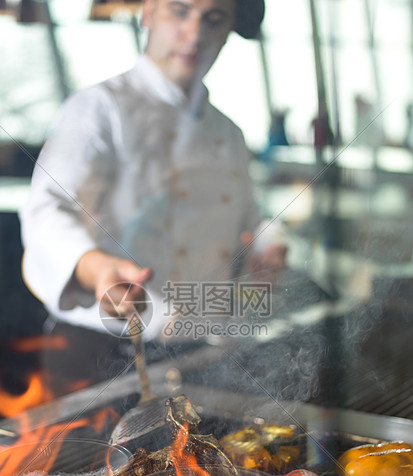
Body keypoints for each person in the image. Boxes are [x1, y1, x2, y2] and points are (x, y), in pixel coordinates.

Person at [19, 0, 286, 385]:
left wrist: (268, 247)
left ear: (229, 30)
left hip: (199, 349)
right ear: (147, 13)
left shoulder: (229, 132)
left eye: (213, 19)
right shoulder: (98, 107)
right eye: (180, 11)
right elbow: (48, 211)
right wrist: (97, 270)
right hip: (102, 354)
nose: (195, 34)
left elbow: (249, 218)